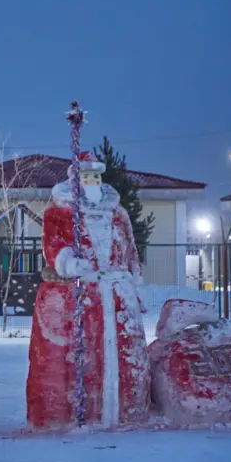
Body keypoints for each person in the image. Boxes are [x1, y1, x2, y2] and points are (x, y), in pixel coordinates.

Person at [26, 152, 150, 429]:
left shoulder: (118, 213)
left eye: (95, 176)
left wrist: (134, 284)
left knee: (122, 355)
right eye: (86, 176)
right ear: (76, 180)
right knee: (80, 357)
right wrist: (69, 262)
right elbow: (54, 245)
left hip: (117, 293)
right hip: (84, 294)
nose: (91, 181)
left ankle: (123, 411)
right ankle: (79, 413)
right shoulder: (59, 211)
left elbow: (130, 251)